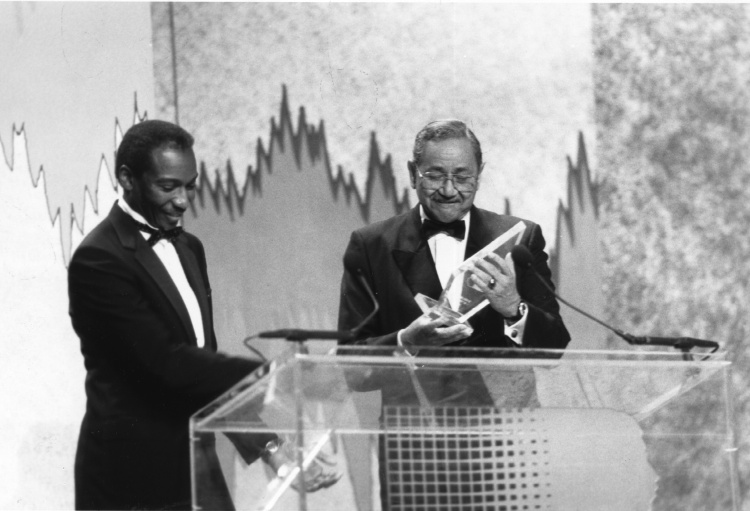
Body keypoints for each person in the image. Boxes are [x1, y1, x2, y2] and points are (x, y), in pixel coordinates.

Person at [68, 120, 336, 510]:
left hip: (197, 463)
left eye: (190, 185)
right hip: (130, 476)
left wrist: (271, 448)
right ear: (127, 178)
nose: (183, 201)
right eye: (168, 186)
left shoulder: (190, 248)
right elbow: (165, 363)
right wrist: (272, 376)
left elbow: (201, 369)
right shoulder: (99, 259)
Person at [337, 119, 571, 508]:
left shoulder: (518, 238)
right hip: (416, 452)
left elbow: (554, 349)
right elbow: (351, 364)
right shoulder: (370, 245)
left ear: (480, 174)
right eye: (435, 175)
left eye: (463, 176)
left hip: (505, 446)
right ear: (413, 174)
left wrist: (514, 308)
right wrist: (406, 342)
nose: (449, 190)